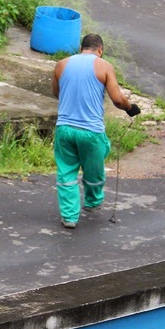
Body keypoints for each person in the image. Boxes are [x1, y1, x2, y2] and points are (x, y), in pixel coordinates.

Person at [51, 33, 140, 229]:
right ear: (100, 49)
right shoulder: (104, 66)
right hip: (91, 131)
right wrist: (130, 108)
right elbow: (117, 99)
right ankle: (92, 203)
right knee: (94, 170)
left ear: (81, 48)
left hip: (64, 129)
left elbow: (57, 93)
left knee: (66, 173)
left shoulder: (61, 64)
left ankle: (69, 217)